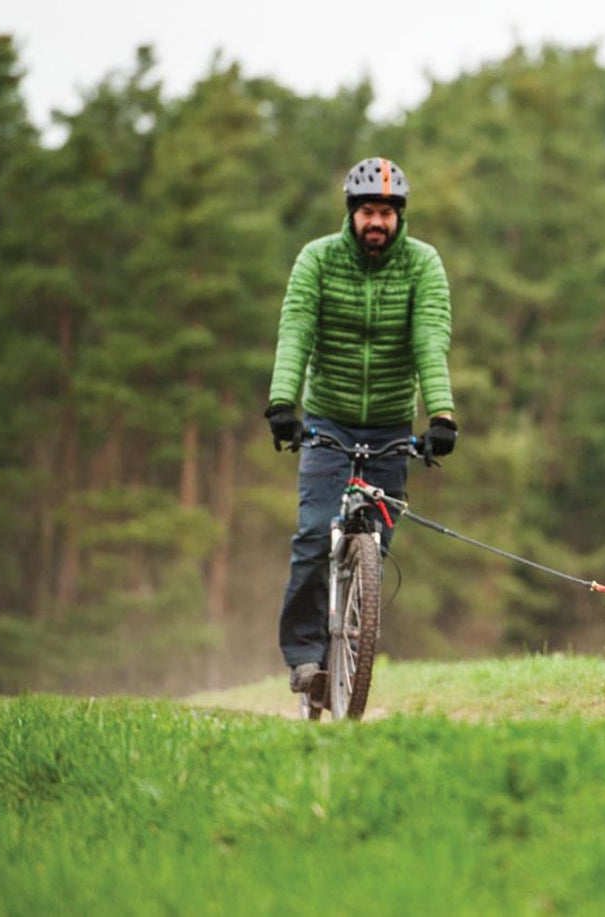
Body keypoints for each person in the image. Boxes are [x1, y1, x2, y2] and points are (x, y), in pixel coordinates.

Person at [265, 156, 458, 695]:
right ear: (351, 214)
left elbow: (430, 339)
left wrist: (440, 414)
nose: (377, 222)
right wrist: (283, 403)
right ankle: (306, 655)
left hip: (392, 424)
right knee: (312, 535)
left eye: (387, 213)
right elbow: (296, 330)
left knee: (376, 541)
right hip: (329, 419)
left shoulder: (422, 264)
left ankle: (349, 641)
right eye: (368, 211)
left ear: (400, 217)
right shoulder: (318, 260)